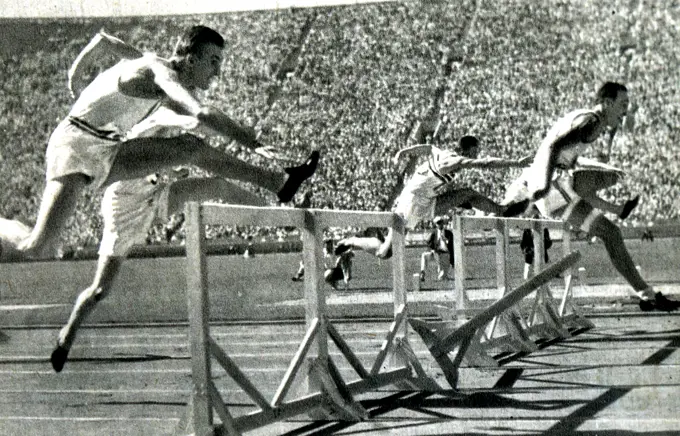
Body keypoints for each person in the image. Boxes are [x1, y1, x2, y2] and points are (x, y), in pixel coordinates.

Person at [15, 26, 319, 259]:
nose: (218, 72)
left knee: (191, 147)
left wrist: (77, 72)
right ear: (190, 58)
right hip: (75, 146)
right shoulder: (161, 73)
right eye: (212, 61)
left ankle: (279, 181)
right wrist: (250, 141)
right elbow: (202, 112)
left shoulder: (148, 66)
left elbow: (106, 39)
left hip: (108, 149)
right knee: (37, 248)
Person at [504, 160, 679, 312]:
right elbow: (513, 201)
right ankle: (646, 294)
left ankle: (646, 294)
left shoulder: (544, 173)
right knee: (610, 231)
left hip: (558, 191)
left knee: (612, 233)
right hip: (556, 193)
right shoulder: (542, 174)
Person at [334, 135, 530, 259]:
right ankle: (351, 241)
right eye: (475, 150)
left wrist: (405, 151)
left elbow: (428, 147)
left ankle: (501, 209)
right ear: (468, 149)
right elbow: (485, 164)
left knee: (467, 193)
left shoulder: (444, 153)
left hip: (427, 200)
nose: (477, 154)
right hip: (412, 201)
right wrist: (517, 163)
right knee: (385, 252)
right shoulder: (455, 160)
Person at [419, 216, 454, 281]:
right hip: (435, 253)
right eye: (438, 223)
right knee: (424, 255)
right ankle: (422, 272)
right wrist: (431, 249)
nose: (440, 224)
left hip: (445, 254)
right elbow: (429, 244)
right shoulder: (434, 233)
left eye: (441, 222)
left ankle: (442, 273)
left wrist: (445, 240)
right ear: (436, 224)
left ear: (443, 223)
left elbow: (452, 245)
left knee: (442, 278)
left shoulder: (448, 233)